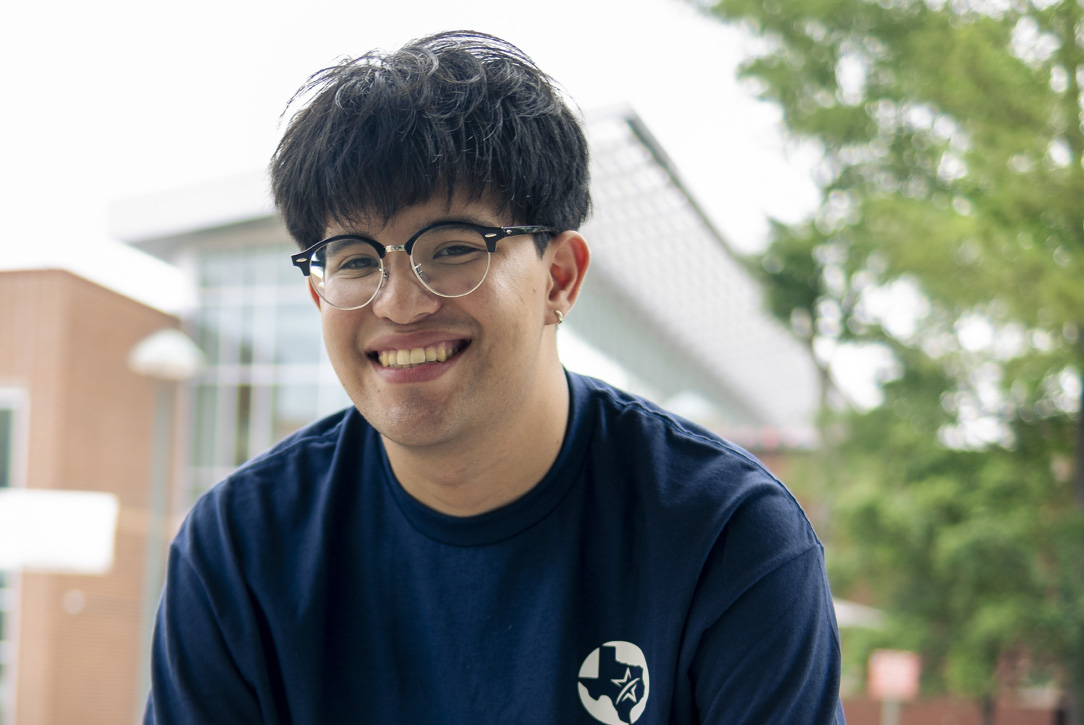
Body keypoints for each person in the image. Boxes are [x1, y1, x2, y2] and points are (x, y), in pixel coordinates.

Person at [145, 30, 845, 724]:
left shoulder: (726, 534)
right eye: (354, 259)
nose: (398, 301)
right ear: (319, 293)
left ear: (560, 277)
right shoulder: (239, 546)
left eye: (451, 248)